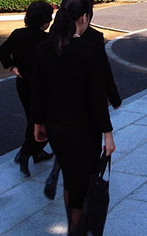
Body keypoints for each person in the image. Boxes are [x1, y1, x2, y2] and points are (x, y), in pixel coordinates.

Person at [32, 0, 116, 236]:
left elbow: (38, 90)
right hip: (84, 129)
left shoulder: (45, 48)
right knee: (84, 186)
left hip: (56, 127)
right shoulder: (88, 51)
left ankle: (72, 234)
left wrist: (38, 123)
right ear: (83, 18)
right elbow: (96, 97)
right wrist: (108, 134)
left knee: (71, 180)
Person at [43, 20, 122, 201]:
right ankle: (77, 223)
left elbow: (39, 85)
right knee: (81, 174)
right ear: (84, 16)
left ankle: (58, 174)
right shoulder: (93, 40)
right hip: (83, 118)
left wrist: (38, 120)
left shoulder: (51, 38)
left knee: (68, 159)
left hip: (56, 115)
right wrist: (107, 130)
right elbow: (101, 81)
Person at [0, 0, 55, 177]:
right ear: (45, 21)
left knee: (32, 118)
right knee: (42, 121)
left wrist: (12, 67)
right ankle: (26, 152)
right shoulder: (46, 41)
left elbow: (2, 51)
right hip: (42, 86)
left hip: (23, 84)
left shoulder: (17, 34)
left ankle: (36, 153)